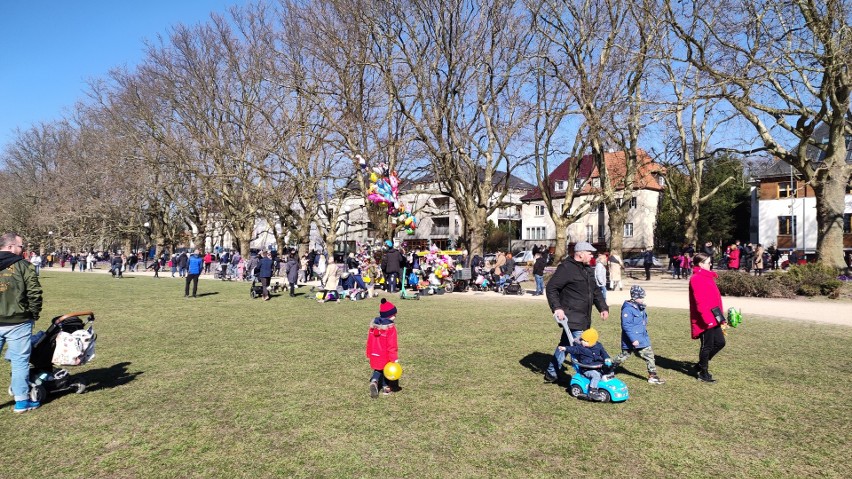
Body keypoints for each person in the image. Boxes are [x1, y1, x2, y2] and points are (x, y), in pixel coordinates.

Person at [543, 241, 609, 383]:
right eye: (590, 253)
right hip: (571, 315)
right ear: (580, 254)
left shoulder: (587, 269)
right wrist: (557, 308)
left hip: (584, 316)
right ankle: (588, 377)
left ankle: (551, 372)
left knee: (566, 344)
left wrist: (603, 307)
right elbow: (551, 288)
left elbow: (595, 291)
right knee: (583, 346)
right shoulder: (566, 268)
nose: (592, 256)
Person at [0, 233, 43, 413]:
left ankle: (22, 399)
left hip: (17, 320)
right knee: (19, 362)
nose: (22, 249)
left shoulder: (24, 264)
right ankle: (21, 401)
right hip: (19, 320)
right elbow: (34, 293)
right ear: (10, 247)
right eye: (20, 246)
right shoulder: (24, 266)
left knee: (19, 361)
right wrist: (33, 313)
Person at [612, 286, 665, 384]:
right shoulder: (627, 309)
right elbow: (626, 326)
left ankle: (652, 376)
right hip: (632, 339)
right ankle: (609, 368)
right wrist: (633, 339)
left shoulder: (640, 307)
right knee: (624, 356)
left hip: (642, 338)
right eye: (641, 297)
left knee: (649, 356)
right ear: (635, 297)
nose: (643, 299)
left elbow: (643, 321)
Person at [689, 252, 726, 383]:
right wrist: (707, 320)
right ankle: (703, 372)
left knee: (721, 342)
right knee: (707, 346)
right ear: (700, 264)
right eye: (708, 262)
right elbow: (700, 302)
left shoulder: (707, 277)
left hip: (714, 317)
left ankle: (700, 365)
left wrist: (721, 318)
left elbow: (714, 300)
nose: (711, 264)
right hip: (705, 319)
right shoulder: (696, 278)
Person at [563, 328, 612, 402]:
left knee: (610, 371)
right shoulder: (581, 348)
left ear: (592, 342)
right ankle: (592, 391)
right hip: (587, 369)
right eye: (581, 339)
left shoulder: (598, 346)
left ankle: (608, 386)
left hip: (598, 367)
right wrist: (565, 348)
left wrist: (607, 359)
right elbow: (573, 349)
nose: (582, 341)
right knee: (596, 375)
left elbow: (604, 353)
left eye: (585, 341)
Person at [366, 298, 400, 398]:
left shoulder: (374, 326)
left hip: (374, 353)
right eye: (394, 315)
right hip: (385, 354)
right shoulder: (390, 328)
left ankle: (374, 381)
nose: (395, 316)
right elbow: (392, 344)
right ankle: (386, 388)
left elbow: (369, 341)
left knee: (377, 369)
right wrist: (394, 358)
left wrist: (369, 353)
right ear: (389, 316)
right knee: (386, 369)